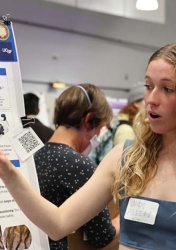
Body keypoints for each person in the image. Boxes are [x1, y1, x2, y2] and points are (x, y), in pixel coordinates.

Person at [0, 42, 176, 250]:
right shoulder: (127, 157)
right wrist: (8, 174)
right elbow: (58, 223)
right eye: (148, 85)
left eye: (167, 89)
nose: (151, 99)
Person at [33, 84, 118, 250]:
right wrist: (125, 216)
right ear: (88, 120)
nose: (97, 137)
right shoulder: (79, 165)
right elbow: (102, 238)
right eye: (99, 129)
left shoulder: (36, 156)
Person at [113, 82, 145, 146]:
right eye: (146, 100)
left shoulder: (136, 126)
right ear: (136, 103)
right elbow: (125, 155)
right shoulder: (125, 129)